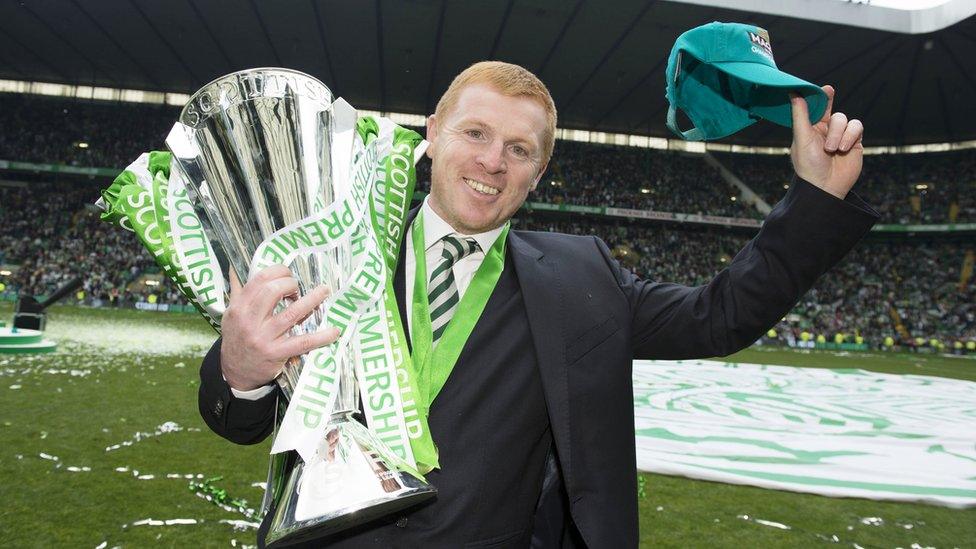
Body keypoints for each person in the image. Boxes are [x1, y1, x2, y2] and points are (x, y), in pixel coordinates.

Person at [198, 61, 877, 547]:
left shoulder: (581, 278)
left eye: (519, 149)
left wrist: (815, 198)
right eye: (475, 134)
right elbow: (236, 421)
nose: (493, 161)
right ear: (432, 132)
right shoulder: (334, 246)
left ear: (539, 170)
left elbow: (718, 315)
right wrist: (239, 369)